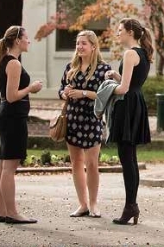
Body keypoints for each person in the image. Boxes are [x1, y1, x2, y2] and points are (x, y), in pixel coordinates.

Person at [0, 25, 43, 224]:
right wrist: (31, 88)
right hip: (13, 118)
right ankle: (12, 212)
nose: (28, 41)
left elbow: (4, 95)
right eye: (26, 37)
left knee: (2, 166)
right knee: (8, 168)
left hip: (7, 116)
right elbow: (12, 96)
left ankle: (2, 211)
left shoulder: (5, 61)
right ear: (17, 41)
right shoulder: (13, 64)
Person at [58, 30, 110, 218]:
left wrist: (83, 93)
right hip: (72, 119)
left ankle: (94, 204)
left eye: (83, 43)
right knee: (76, 163)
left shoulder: (104, 70)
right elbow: (60, 90)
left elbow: (106, 96)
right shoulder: (70, 67)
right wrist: (65, 93)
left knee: (92, 164)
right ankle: (83, 204)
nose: (79, 47)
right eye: (78, 43)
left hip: (92, 119)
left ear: (93, 46)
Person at [105, 18, 153, 225]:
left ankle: (130, 206)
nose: (117, 34)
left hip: (127, 105)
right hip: (137, 102)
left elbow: (123, 89)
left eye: (120, 30)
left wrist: (105, 89)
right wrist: (116, 75)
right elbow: (130, 82)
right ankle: (131, 206)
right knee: (130, 157)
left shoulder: (130, 53)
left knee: (127, 158)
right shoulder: (142, 53)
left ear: (130, 32)